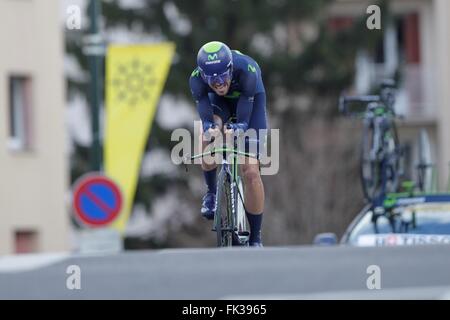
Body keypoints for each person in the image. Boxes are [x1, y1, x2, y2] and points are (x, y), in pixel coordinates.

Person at [189, 41, 268, 247]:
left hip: (250, 101)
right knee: (207, 136)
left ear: (231, 68)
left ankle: (255, 237)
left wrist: (241, 126)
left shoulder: (248, 70)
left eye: (223, 77)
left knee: (250, 170)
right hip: (219, 104)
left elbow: (246, 105)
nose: (219, 83)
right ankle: (212, 192)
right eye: (212, 80)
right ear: (203, 75)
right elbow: (204, 108)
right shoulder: (196, 80)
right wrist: (208, 127)